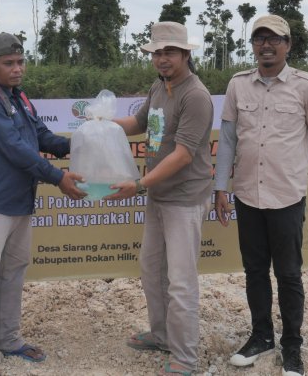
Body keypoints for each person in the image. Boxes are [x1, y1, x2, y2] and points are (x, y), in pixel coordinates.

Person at [0, 32, 86, 376]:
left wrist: (81, 143)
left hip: (20, 203)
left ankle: (7, 340)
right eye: (9, 63)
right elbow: (14, 147)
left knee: (12, 275)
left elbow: (41, 136)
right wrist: (58, 177)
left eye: (20, 62)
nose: (16, 69)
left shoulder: (20, 97)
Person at [214, 14, 308, 376]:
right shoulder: (238, 85)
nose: (266, 45)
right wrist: (221, 187)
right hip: (248, 194)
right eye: (259, 39)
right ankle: (261, 335)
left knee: (289, 274)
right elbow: (229, 139)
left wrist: (291, 167)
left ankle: (292, 345)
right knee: (254, 270)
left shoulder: (307, 86)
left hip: (287, 197)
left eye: (274, 39)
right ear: (252, 45)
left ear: (288, 45)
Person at [108, 21, 214, 376]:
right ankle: (161, 335)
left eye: (169, 52)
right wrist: (100, 122)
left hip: (184, 199)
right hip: (158, 195)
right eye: (157, 52)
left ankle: (185, 357)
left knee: (181, 280)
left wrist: (138, 185)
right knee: (152, 270)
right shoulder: (159, 87)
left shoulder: (195, 95)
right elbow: (139, 123)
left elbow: (183, 154)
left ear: (185, 54)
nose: (162, 58)